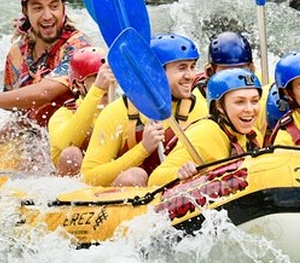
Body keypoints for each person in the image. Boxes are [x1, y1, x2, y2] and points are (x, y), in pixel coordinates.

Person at [81, 33, 208, 187]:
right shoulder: (118, 112)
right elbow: (89, 178)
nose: (190, 76)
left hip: (175, 196)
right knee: (134, 176)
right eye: (182, 68)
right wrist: (143, 149)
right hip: (131, 198)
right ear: (155, 72)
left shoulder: (200, 108)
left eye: (192, 67)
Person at [148, 68, 263, 186]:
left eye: (254, 101)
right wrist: (179, 173)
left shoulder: (254, 136)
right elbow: (155, 178)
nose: (249, 109)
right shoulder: (204, 133)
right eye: (240, 102)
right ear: (219, 106)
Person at [48, 46, 116, 176]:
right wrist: (97, 90)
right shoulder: (63, 114)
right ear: (78, 84)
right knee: (71, 154)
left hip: (105, 177)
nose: (106, 83)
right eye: (96, 77)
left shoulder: (121, 109)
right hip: (74, 185)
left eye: (109, 76)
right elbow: (67, 142)